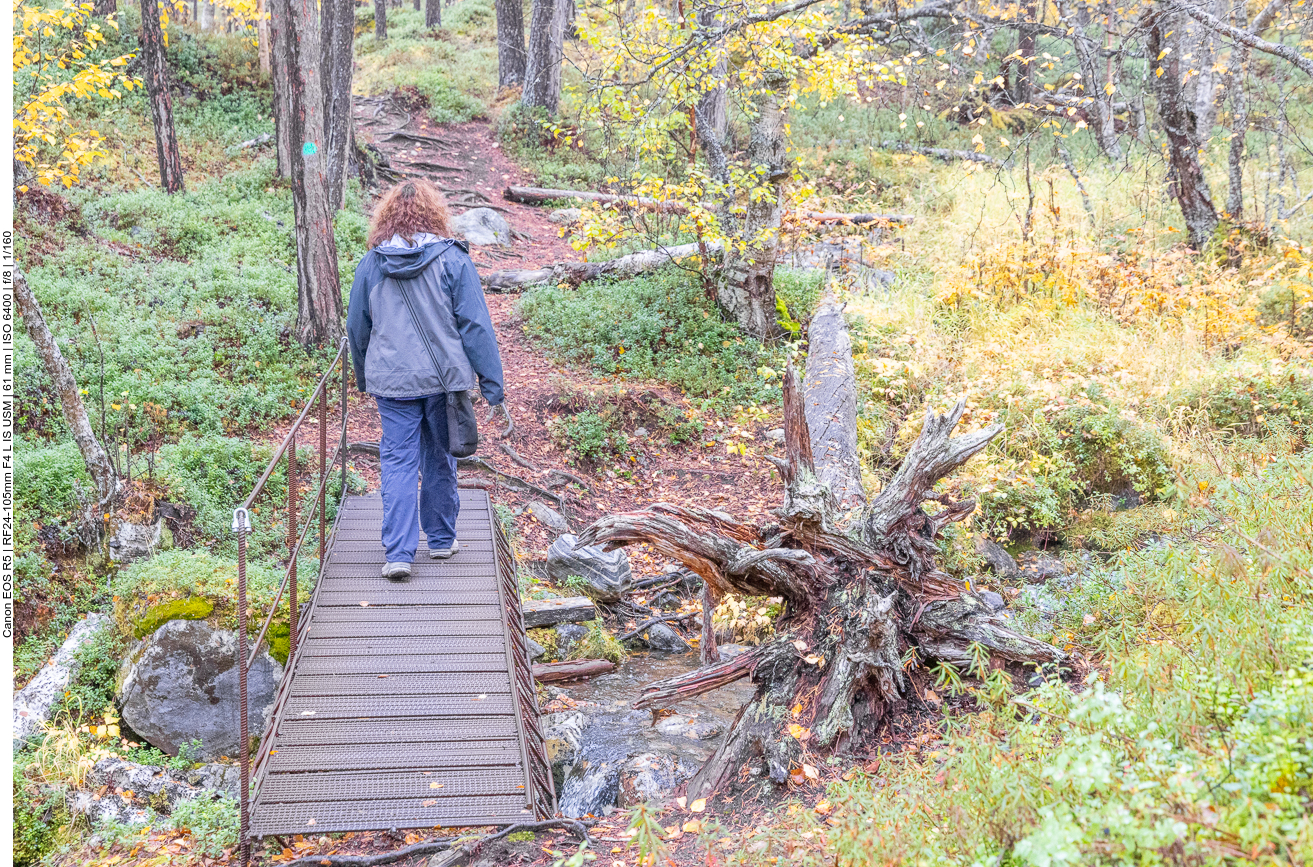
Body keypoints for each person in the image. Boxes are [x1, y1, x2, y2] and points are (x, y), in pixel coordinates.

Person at [347, 180, 509, 580]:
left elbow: (356, 326)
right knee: (439, 455)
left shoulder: (372, 264)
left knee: (397, 461)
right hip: (444, 381)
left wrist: (364, 374)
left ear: (385, 218)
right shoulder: (454, 261)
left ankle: (399, 553)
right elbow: (475, 327)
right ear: (436, 214)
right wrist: (492, 386)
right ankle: (439, 539)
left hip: (392, 381)